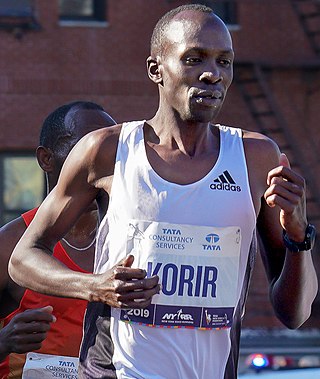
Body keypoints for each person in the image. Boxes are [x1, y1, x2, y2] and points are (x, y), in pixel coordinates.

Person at [8, 4, 318, 379]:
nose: (212, 74)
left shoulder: (256, 157)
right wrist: (95, 286)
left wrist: (299, 237)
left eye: (225, 62)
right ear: (156, 69)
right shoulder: (106, 150)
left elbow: (294, 314)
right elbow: (23, 258)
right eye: (194, 58)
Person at [0, 101, 116, 378]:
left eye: (111, 150)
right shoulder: (10, 242)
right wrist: (4, 341)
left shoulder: (130, 238)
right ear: (46, 159)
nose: (101, 159)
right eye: (86, 147)